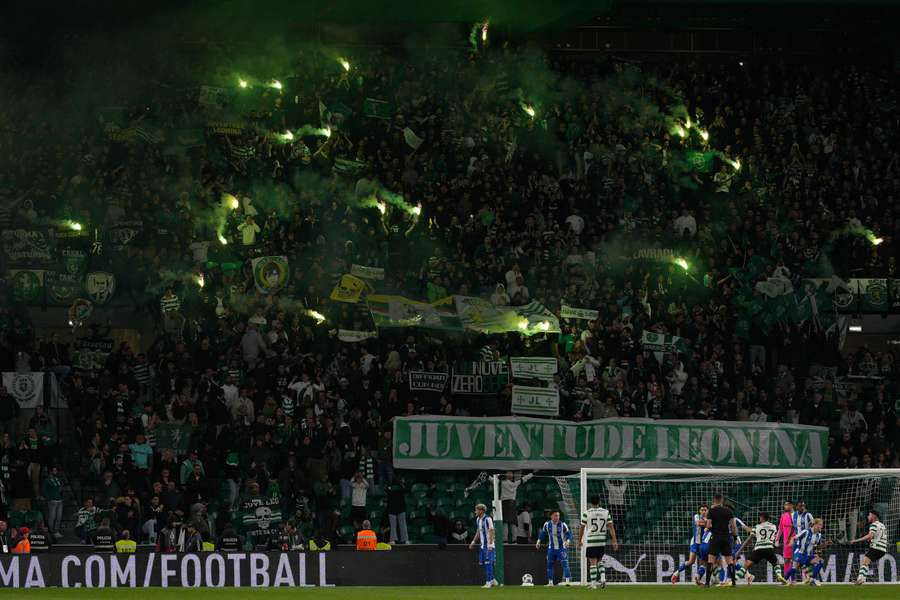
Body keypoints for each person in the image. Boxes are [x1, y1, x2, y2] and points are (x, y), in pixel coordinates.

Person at [579, 494, 619, 589]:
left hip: (592, 540)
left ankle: (593, 584)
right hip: (601, 541)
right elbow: (611, 527)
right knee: (600, 560)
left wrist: (579, 539)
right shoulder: (606, 512)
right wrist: (614, 540)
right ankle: (603, 579)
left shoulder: (587, 513)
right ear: (599, 502)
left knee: (592, 562)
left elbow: (582, 527)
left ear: (591, 503)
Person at [734, 513, 786, 585]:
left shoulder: (757, 527)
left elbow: (749, 539)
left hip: (759, 548)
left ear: (762, 518)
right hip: (769, 548)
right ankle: (779, 575)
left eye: (760, 517)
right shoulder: (773, 526)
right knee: (776, 563)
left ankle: (734, 580)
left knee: (746, 565)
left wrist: (739, 551)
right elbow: (774, 536)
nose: (759, 519)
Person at [704, 493, 737, 587]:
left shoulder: (712, 511)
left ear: (714, 500)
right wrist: (734, 536)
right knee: (729, 560)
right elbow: (733, 526)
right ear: (722, 500)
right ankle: (734, 582)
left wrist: (709, 527)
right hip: (726, 537)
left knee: (711, 560)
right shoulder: (728, 511)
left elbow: (709, 525)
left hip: (715, 537)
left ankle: (707, 583)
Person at [784, 518, 829, 586]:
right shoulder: (806, 532)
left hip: (808, 555)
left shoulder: (818, 535)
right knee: (794, 568)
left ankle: (812, 579)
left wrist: (826, 544)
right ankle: (785, 579)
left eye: (822, 525)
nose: (821, 526)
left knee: (820, 561)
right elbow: (794, 538)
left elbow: (818, 546)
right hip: (800, 553)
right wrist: (791, 544)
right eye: (820, 524)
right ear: (815, 524)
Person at [672, 504, 708, 584]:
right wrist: (707, 523)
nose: (703, 511)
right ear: (699, 511)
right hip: (695, 542)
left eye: (705, 510)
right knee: (692, 561)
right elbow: (699, 523)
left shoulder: (709, 519)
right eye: (702, 510)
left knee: (703, 562)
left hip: (703, 543)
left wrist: (707, 522)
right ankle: (676, 573)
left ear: (707, 511)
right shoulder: (697, 516)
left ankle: (698, 578)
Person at [851, 510, 889, 585]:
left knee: (864, 561)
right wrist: (871, 539)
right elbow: (877, 536)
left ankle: (860, 579)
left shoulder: (874, 524)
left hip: (876, 547)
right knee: (865, 562)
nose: (868, 517)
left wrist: (856, 540)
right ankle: (861, 579)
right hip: (883, 549)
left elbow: (870, 535)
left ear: (873, 516)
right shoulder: (882, 525)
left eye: (869, 515)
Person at [535, 510, 572, 586]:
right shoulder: (547, 524)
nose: (557, 517)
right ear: (551, 516)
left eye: (558, 515)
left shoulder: (563, 525)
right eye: (555, 515)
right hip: (551, 549)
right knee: (549, 565)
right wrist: (538, 541)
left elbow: (568, 534)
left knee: (565, 564)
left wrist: (568, 541)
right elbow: (542, 533)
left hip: (561, 548)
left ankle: (568, 582)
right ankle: (550, 582)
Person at [469, 504, 497, 588]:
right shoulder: (478, 519)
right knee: (482, 564)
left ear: (481, 511)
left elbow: (491, 531)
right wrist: (473, 541)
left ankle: (488, 582)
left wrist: (490, 544)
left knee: (488, 563)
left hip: (488, 545)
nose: (475, 512)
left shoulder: (488, 519)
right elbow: (478, 531)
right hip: (482, 546)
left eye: (476, 510)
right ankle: (492, 579)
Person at [499, 471, 533, 543]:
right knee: (513, 522)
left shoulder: (503, 483)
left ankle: (505, 540)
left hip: (505, 503)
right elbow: (524, 479)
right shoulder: (515, 483)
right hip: (512, 503)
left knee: (505, 522)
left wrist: (488, 477)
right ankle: (514, 540)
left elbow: (494, 481)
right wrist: (531, 474)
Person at [41, 466, 64, 539]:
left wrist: (61, 495)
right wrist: (49, 498)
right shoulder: (47, 480)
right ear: (50, 471)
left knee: (59, 517)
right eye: (54, 470)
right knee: (52, 517)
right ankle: (51, 532)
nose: (55, 472)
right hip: (52, 501)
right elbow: (44, 491)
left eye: (56, 470)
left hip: (59, 500)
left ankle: (56, 531)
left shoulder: (57, 479)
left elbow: (60, 489)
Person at [386, 477, 408, 544]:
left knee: (393, 525)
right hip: (401, 508)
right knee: (403, 525)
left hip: (392, 509)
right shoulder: (401, 488)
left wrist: (389, 486)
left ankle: (393, 540)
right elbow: (406, 489)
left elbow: (386, 489)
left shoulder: (390, 489)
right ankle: (405, 540)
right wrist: (403, 484)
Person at [775, 500, 795, 577]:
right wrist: (777, 540)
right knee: (787, 560)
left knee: (798, 560)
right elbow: (780, 529)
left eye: (787, 505)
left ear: (791, 506)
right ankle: (787, 578)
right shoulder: (783, 515)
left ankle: (807, 578)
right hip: (786, 541)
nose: (785, 506)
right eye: (785, 505)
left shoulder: (796, 515)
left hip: (796, 540)